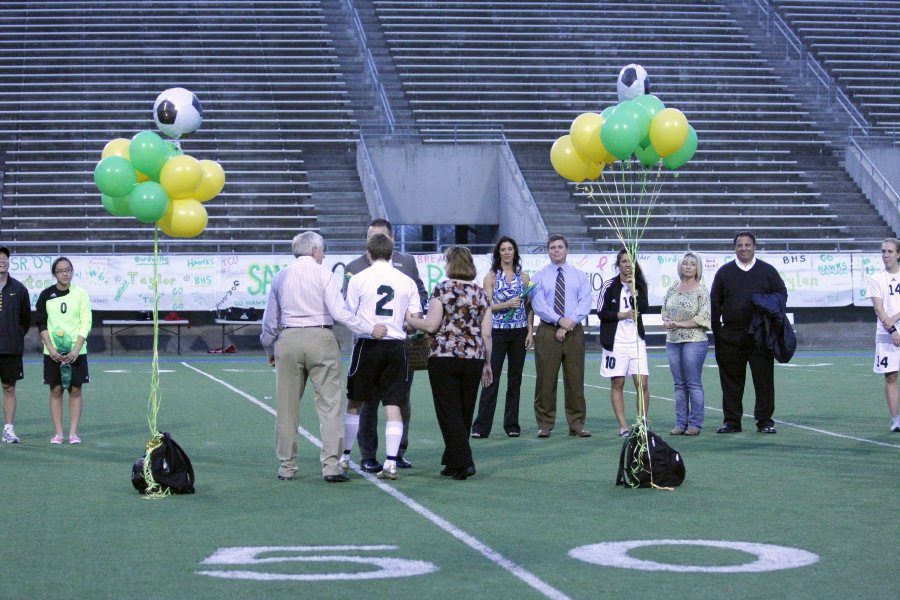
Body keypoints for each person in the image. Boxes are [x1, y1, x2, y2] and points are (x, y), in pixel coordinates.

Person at [260, 231, 387, 483]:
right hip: (320, 338)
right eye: (322, 250)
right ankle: (331, 466)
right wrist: (369, 328)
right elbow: (339, 312)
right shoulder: (323, 274)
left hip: (288, 339)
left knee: (286, 407)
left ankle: (287, 466)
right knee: (330, 405)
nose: (324, 254)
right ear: (315, 250)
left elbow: (269, 321)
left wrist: (270, 349)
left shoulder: (280, 276)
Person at [342, 218, 427, 473]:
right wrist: (413, 325)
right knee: (392, 404)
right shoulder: (404, 279)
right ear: (390, 252)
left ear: (371, 250)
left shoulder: (359, 277)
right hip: (396, 345)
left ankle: (346, 455)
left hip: (369, 344)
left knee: (358, 402)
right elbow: (415, 317)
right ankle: (386, 459)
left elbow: (347, 314)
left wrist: (369, 327)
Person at [406, 246, 492, 480]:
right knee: (464, 412)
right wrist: (487, 363)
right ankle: (453, 461)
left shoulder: (443, 289)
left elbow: (432, 325)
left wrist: (411, 320)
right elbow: (486, 335)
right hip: (473, 358)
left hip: (445, 356)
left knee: (448, 412)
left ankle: (464, 462)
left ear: (451, 264)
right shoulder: (481, 294)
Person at [710, 231, 787, 434]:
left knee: (764, 381)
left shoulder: (768, 271)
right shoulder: (724, 272)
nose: (743, 248)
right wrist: (718, 331)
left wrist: (765, 304)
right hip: (731, 335)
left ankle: (765, 421)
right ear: (734, 248)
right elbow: (715, 301)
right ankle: (732, 422)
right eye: (739, 245)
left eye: (747, 245)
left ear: (755, 247)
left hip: (760, 336)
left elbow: (781, 294)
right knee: (731, 382)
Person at [530, 234, 592, 437]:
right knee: (545, 380)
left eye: (560, 247)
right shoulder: (538, 277)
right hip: (547, 330)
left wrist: (568, 323)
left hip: (573, 331)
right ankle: (545, 425)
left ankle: (577, 424)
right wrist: (558, 320)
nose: (556, 250)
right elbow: (538, 305)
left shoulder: (579, 275)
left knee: (575, 379)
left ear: (567, 249)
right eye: (552, 247)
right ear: (548, 251)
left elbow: (585, 302)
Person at [472, 236, 533, 438]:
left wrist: (529, 330)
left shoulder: (523, 277)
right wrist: (507, 305)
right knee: (491, 378)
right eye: (503, 249)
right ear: (498, 253)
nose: (507, 252)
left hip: (519, 332)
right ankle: (481, 426)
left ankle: (512, 425)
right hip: (497, 332)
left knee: (515, 380)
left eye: (510, 249)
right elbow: (486, 306)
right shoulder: (491, 277)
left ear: (515, 252)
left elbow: (529, 306)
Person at [35, 257, 92, 445]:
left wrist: (76, 348)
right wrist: (51, 348)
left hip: (77, 351)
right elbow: (41, 323)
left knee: (75, 390)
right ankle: (58, 433)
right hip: (52, 352)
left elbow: (86, 321)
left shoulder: (81, 294)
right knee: (56, 390)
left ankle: (73, 433)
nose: (65, 273)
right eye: (60, 271)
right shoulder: (45, 295)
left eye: (68, 270)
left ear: (72, 271)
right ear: (54, 274)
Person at [598, 249, 651, 437]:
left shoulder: (640, 285)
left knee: (642, 382)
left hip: (636, 341)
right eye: (623, 261)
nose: (627, 265)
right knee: (618, 383)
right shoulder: (609, 285)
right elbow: (601, 312)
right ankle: (623, 427)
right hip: (616, 342)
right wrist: (621, 315)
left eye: (630, 261)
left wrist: (632, 290)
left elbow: (643, 308)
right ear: (618, 264)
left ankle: (641, 423)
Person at [661, 251, 711, 436]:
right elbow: (664, 308)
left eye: (692, 264)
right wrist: (666, 320)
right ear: (680, 266)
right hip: (673, 340)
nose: (688, 266)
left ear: (697, 268)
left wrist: (679, 324)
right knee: (679, 384)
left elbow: (703, 318)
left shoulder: (701, 290)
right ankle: (680, 423)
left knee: (693, 383)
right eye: (685, 263)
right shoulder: (673, 287)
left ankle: (695, 424)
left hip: (694, 341)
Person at [866, 238, 900, 433]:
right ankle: (896, 418)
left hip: (893, 326)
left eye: (889, 251)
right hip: (887, 334)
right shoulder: (876, 279)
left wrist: (894, 319)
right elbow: (879, 309)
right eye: (883, 251)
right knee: (891, 376)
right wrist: (893, 330)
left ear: (898, 254)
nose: (885, 255)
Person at [0, 246, 31, 444]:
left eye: (5, 257)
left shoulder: (19, 289)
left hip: (10, 348)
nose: (2, 260)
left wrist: (15, 336)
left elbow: (25, 319)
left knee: (9, 387)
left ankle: (8, 429)